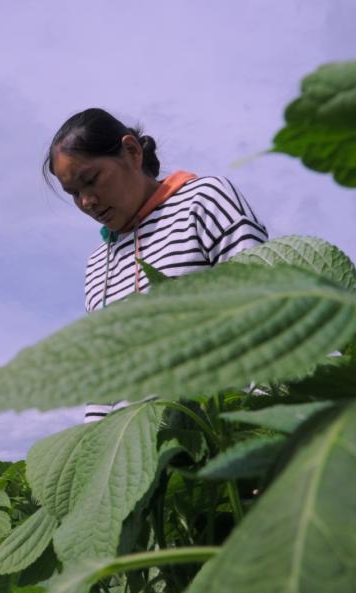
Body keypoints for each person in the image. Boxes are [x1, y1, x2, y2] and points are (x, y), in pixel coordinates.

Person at [44, 108, 268, 423]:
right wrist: (94, 458)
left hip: (223, 433)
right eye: (74, 194)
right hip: (144, 460)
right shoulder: (99, 264)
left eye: (91, 180)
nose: (86, 202)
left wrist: (263, 427)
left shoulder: (202, 201)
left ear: (132, 152)